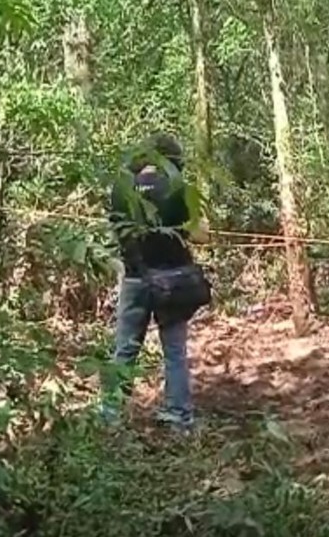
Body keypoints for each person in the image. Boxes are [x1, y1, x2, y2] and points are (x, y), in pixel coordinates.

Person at [101, 132, 210, 431]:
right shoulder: (178, 188)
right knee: (174, 352)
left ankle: (109, 417)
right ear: (172, 161)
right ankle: (178, 416)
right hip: (172, 281)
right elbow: (201, 234)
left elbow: (118, 231)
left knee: (124, 350)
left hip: (136, 277)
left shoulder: (121, 190)